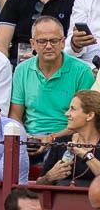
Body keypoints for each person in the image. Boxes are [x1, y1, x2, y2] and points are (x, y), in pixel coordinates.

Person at [11, 18, 98, 149]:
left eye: (54, 40)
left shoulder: (82, 71)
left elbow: (86, 120)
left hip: (68, 139)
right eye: (42, 41)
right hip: (30, 138)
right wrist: (26, 138)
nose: (48, 46)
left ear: (63, 42)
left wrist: (52, 138)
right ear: (32, 43)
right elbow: (15, 115)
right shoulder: (22, 70)